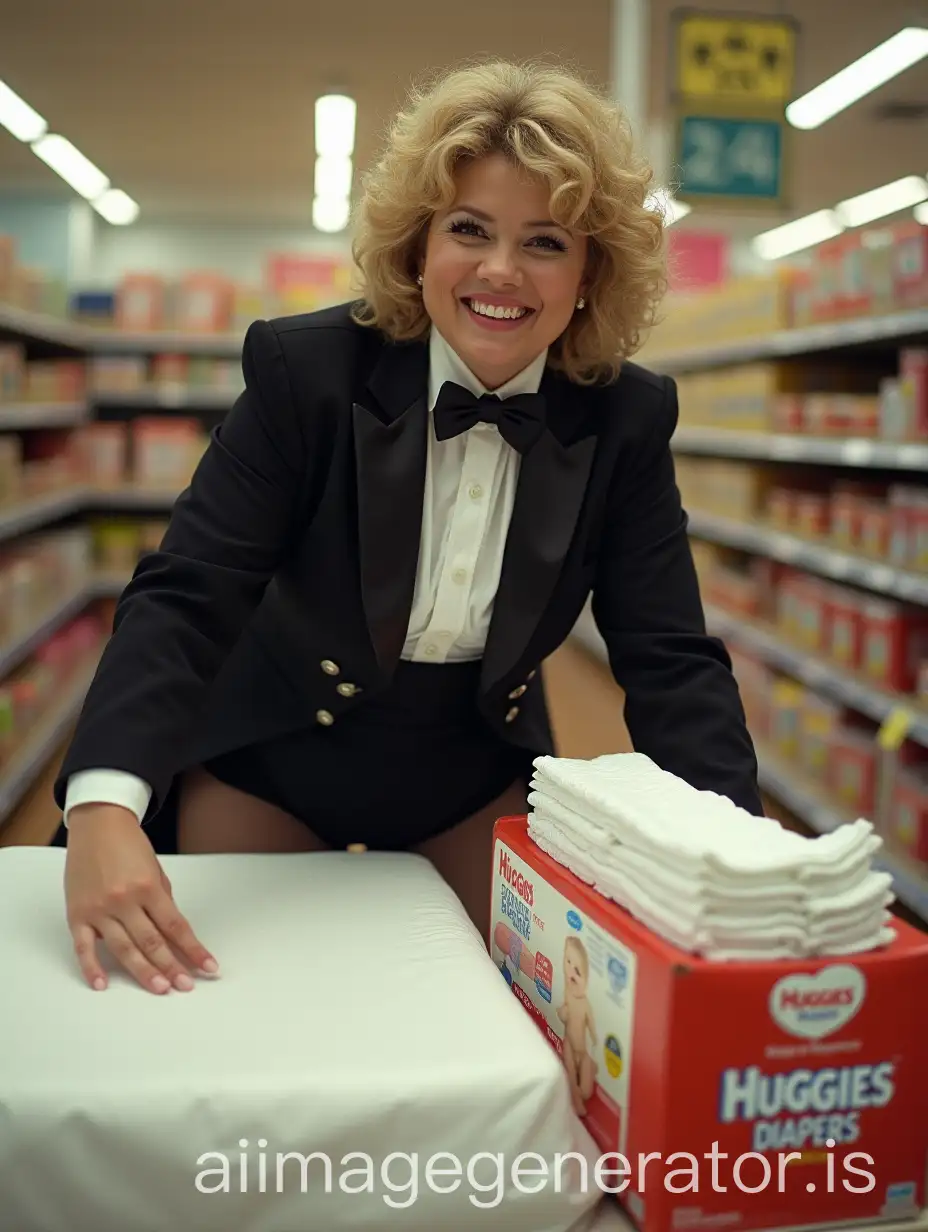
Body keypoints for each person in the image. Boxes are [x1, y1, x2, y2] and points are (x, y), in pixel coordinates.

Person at [56, 58, 762, 999]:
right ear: (417, 246)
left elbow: (670, 657)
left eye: (545, 242)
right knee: (242, 1006)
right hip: (274, 752)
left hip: (468, 769)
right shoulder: (304, 374)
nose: (501, 272)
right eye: (469, 229)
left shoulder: (622, 419)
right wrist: (107, 803)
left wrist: (749, 869)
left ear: (591, 271)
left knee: (512, 1018)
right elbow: (190, 593)